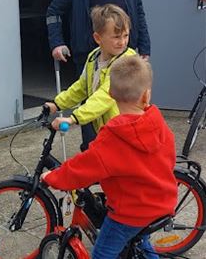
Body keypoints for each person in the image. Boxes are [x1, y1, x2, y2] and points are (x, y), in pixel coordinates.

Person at [41, 55, 177, 259]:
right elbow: (169, 160)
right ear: (146, 96)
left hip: (129, 213)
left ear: (111, 94)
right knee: (140, 240)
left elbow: (81, 168)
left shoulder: (113, 137)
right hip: (162, 203)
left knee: (103, 252)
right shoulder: (160, 126)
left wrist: (52, 178)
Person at [46, 0, 150, 148]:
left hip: (125, 57)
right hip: (90, 56)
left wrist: (145, 48)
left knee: (125, 115)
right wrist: (57, 42)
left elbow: (139, 11)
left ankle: (119, 155)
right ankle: (95, 153)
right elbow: (54, 11)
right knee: (93, 113)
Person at [45, 4, 136, 150]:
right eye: (116, 37)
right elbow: (82, 86)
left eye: (126, 35)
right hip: (107, 131)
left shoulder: (126, 61)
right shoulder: (94, 57)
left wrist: (74, 118)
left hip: (125, 130)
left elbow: (106, 95)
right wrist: (57, 104)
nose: (123, 42)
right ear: (98, 38)